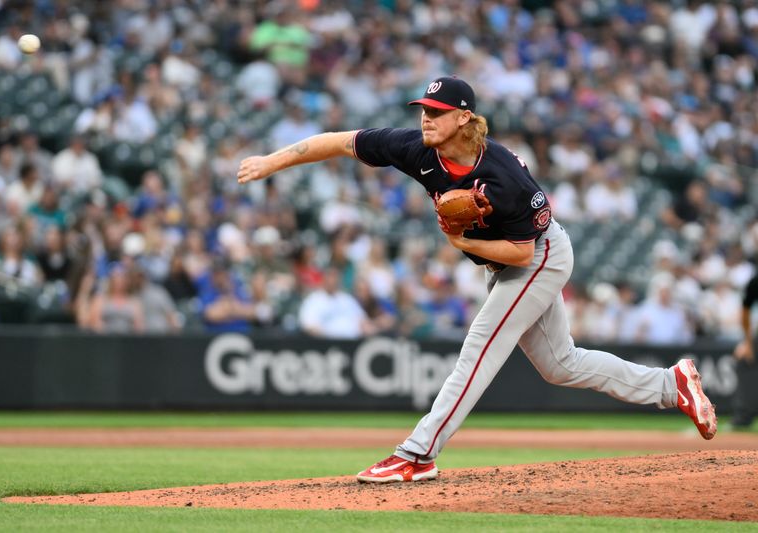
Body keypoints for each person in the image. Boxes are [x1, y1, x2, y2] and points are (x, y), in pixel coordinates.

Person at [237, 76, 718, 484]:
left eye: (437, 111)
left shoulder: (506, 177)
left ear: (464, 119)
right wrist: (270, 162)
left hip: (539, 256)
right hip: (507, 262)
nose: (426, 118)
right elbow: (340, 141)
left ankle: (418, 454)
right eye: (423, 109)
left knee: (482, 342)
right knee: (561, 365)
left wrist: (463, 244)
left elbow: (522, 251)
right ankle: (670, 386)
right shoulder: (416, 149)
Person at [732, 271, 758, 429]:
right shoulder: (755, 281)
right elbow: (745, 311)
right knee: (743, 361)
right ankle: (744, 416)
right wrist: (747, 343)